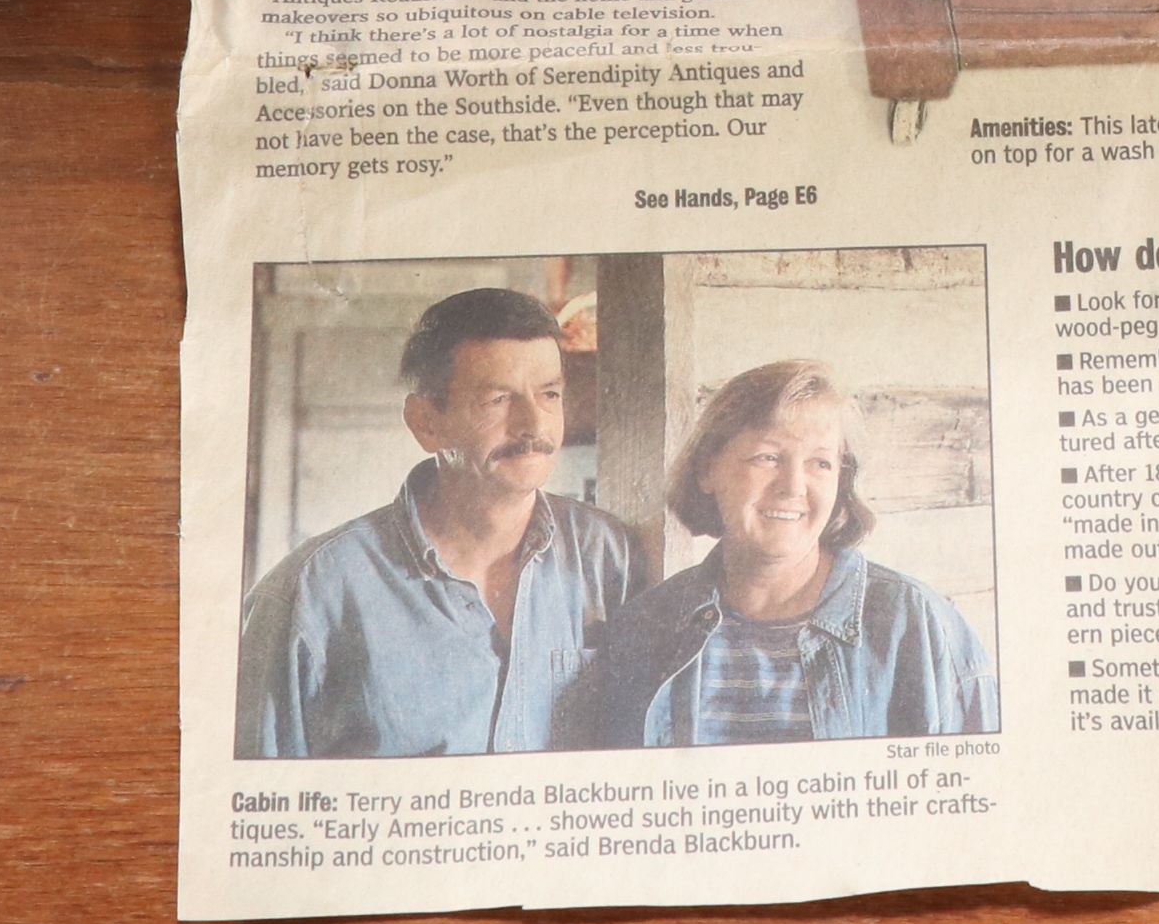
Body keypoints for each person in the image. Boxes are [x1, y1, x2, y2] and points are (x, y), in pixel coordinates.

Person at [236, 286, 639, 757]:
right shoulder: (308, 595)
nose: (534, 424)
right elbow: (252, 802)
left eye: (549, 394)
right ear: (426, 423)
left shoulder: (610, 556)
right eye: (497, 400)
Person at [583, 358, 996, 746]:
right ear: (708, 469)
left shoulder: (915, 623)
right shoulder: (645, 627)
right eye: (768, 457)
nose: (793, 486)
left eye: (820, 463)